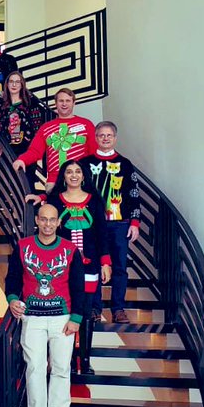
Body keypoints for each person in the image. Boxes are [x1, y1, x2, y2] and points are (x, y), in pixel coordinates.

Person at [4, 203, 86, 407]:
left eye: (52, 220)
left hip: (62, 318)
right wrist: (12, 299)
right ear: (37, 221)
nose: (48, 224)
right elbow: (12, 279)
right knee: (35, 367)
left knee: (61, 368)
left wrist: (76, 318)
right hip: (32, 318)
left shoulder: (70, 250)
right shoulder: (23, 247)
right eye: (44, 219)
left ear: (58, 222)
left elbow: (79, 287)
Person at [45, 160, 112, 374]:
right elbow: (48, 231)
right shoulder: (54, 200)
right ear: (63, 176)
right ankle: (66, 360)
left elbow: (102, 234)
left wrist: (105, 262)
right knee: (64, 310)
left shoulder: (95, 201)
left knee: (86, 311)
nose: (73, 175)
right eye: (69, 172)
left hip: (90, 265)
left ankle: (84, 359)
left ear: (84, 176)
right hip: (61, 265)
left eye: (78, 171)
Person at [80, 122, 142, 324]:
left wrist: (134, 222)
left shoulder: (125, 164)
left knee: (120, 267)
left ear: (115, 138)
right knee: (93, 265)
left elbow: (134, 194)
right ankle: (94, 308)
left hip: (119, 224)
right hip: (91, 224)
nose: (105, 139)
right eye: (101, 135)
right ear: (95, 138)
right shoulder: (85, 163)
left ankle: (118, 309)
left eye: (109, 135)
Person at [13, 88, 98, 195]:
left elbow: (95, 153)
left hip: (81, 180)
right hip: (54, 182)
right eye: (61, 101)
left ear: (73, 103)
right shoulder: (46, 128)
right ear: (56, 103)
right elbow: (35, 151)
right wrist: (22, 160)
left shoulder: (86, 125)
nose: (64, 104)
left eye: (68, 101)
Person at [0, 71, 47, 160]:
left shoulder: (31, 105)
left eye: (17, 82)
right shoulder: (1, 108)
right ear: (7, 84)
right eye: (11, 81)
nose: (14, 85)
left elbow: (37, 130)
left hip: (27, 152)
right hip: (7, 151)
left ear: (22, 85)